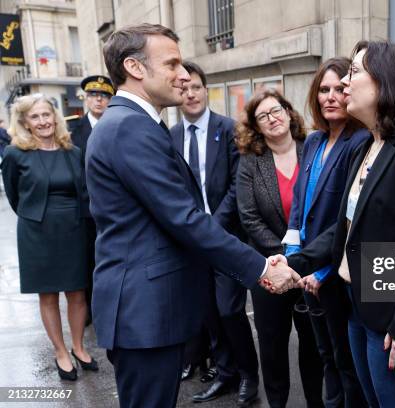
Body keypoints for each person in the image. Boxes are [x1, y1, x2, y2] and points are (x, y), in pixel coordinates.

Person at [85, 24, 298, 408]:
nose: (184, 75)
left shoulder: (133, 124)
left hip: (149, 309)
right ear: (134, 67)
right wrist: (262, 269)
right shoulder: (129, 127)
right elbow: (183, 218)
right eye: (172, 63)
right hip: (143, 311)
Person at [278, 41, 395, 408]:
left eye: (354, 72)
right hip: (357, 305)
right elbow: (344, 231)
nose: (344, 83)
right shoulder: (365, 146)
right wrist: (294, 263)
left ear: (386, 83)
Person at [170, 61, 259, 405]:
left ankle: (249, 374)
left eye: (196, 87)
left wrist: (212, 227)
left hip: (225, 237)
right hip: (192, 243)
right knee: (207, 311)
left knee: (229, 310)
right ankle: (225, 373)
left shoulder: (230, 130)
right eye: (184, 89)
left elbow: (239, 187)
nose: (190, 94)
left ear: (206, 90)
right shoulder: (171, 136)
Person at [281, 57, 369, 408]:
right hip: (307, 272)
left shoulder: (359, 141)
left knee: (345, 360)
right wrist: (293, 261)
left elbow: (350, 218)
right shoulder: (314, 141)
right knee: (324, 354)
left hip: (335, 272)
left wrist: (320, 270)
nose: (331, 97)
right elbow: (299, 207)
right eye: (324, 89)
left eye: (339, 89)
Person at [235, 89, 324, 408]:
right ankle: (277, 402)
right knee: (272, 345)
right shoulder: (250, 162)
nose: (272, 119)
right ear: (256, 127)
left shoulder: (313, 149)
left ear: (288, 113)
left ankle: (316, 402)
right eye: (262, 116)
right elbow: (249, 218)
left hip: (312, 267)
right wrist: (286, 260)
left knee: (313, 345)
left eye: (276, 111)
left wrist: (303, 260)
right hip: (269, 268)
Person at [1, 94, 98, 381]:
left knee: (78, 292)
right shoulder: (16, 154)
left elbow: (85, 190)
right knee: (48, 295)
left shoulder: (73, 151)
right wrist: (37, 216)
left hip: (74, 227)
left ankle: (79, 347)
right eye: (35, 117)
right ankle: (60, 352)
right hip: (37, 232)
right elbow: (15, 195)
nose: (43, 121)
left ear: (55, 118)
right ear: (25, 123)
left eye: (46, 115)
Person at [69, 75, 115, 326]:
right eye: (94, 95)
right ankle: (88, 311)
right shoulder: (73, 131)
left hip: (113, 207)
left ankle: (110, 307)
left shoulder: (119, 125)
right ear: (85, 98)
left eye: (104, 96)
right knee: (87, 261)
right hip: (85, 210)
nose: (98, 100)